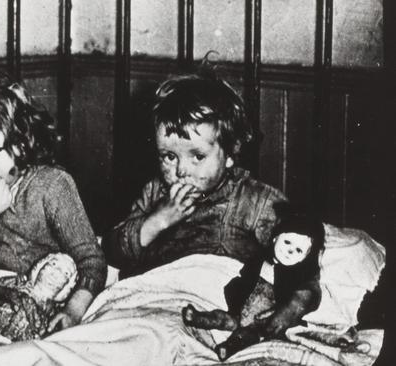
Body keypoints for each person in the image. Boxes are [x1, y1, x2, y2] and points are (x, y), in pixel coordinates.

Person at [0, 71, 106, 331]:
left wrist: (73, 311)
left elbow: (91, 260)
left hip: (44, 300)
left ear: (21, 145)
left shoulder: (53, 185)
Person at [103, 71, 287, 278]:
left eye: (198, 157)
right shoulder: (154, 192)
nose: (181, 171)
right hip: (156, 291)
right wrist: (156, 222)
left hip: (215, 294)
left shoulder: (254, 201)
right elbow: (111, 253)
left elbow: (299, 243)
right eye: (169, 156)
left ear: (230, 154)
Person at [182, 206, 325, 360]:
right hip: (240, 311)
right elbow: (246, 277)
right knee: (223, 318)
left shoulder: (297, 277)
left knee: (246, 335)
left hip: (262, 322)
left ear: (306, 257)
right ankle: (199, 318)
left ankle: (229, 348)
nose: (290, 251)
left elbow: (299, 301)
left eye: (298, 250)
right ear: (275, 238)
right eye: (287, 242)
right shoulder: (260, 259)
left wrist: (280, 313)